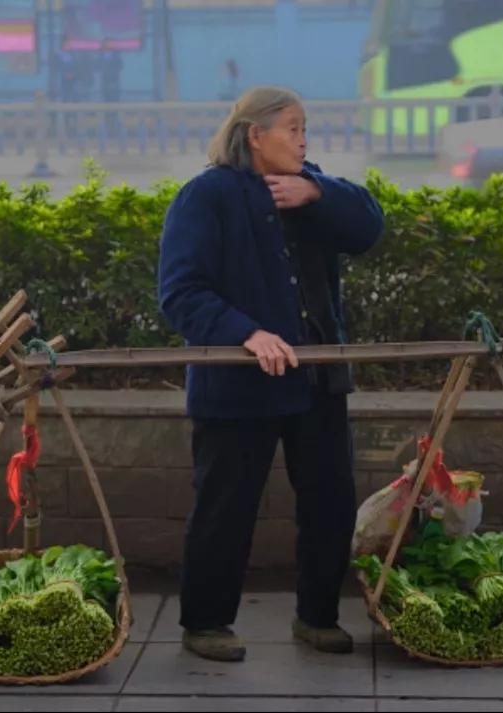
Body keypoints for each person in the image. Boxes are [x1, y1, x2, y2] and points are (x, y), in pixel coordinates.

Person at [157, 86, 384, 662]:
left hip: (318, 381)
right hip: (239, 385)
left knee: (331, 502)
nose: (303, 138)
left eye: (305, 127)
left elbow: (369, 227)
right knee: (226, 506)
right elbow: (180, 293)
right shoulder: (205, 196)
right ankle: (205, 623)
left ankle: (318, 617)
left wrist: (318, 191)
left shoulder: (314, 191)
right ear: (254, 135)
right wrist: (246, 332)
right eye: (291, 127)